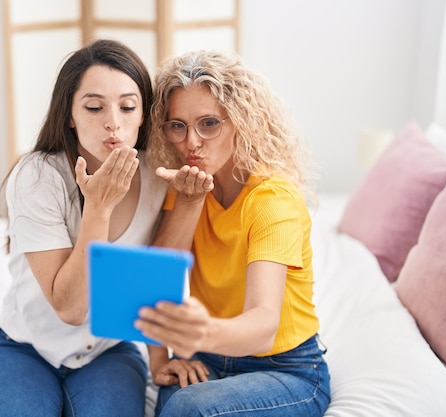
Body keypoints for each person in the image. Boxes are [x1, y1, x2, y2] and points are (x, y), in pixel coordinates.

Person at [0, 39, 167, 417]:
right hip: (22, 349)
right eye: (94, 107)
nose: (113, 121)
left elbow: (156, 273)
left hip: (108, 352)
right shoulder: (37, 177)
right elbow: (71, 308)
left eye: (128, 106)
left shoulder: (157, 175)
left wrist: (159, 358)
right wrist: (98, 207)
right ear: (69, 115)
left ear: (144, 115)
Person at [135, 49, 331, 417]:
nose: (191, 142)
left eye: (209, 123)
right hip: (205, 357)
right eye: (177, 125)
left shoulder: (272, 200)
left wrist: (200, 334)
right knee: (178, 403)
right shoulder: (185, 188)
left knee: (186, 409)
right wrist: (160, 361)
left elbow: (263, 324)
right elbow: (153, 278)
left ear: (241, 121)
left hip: (283, 369)